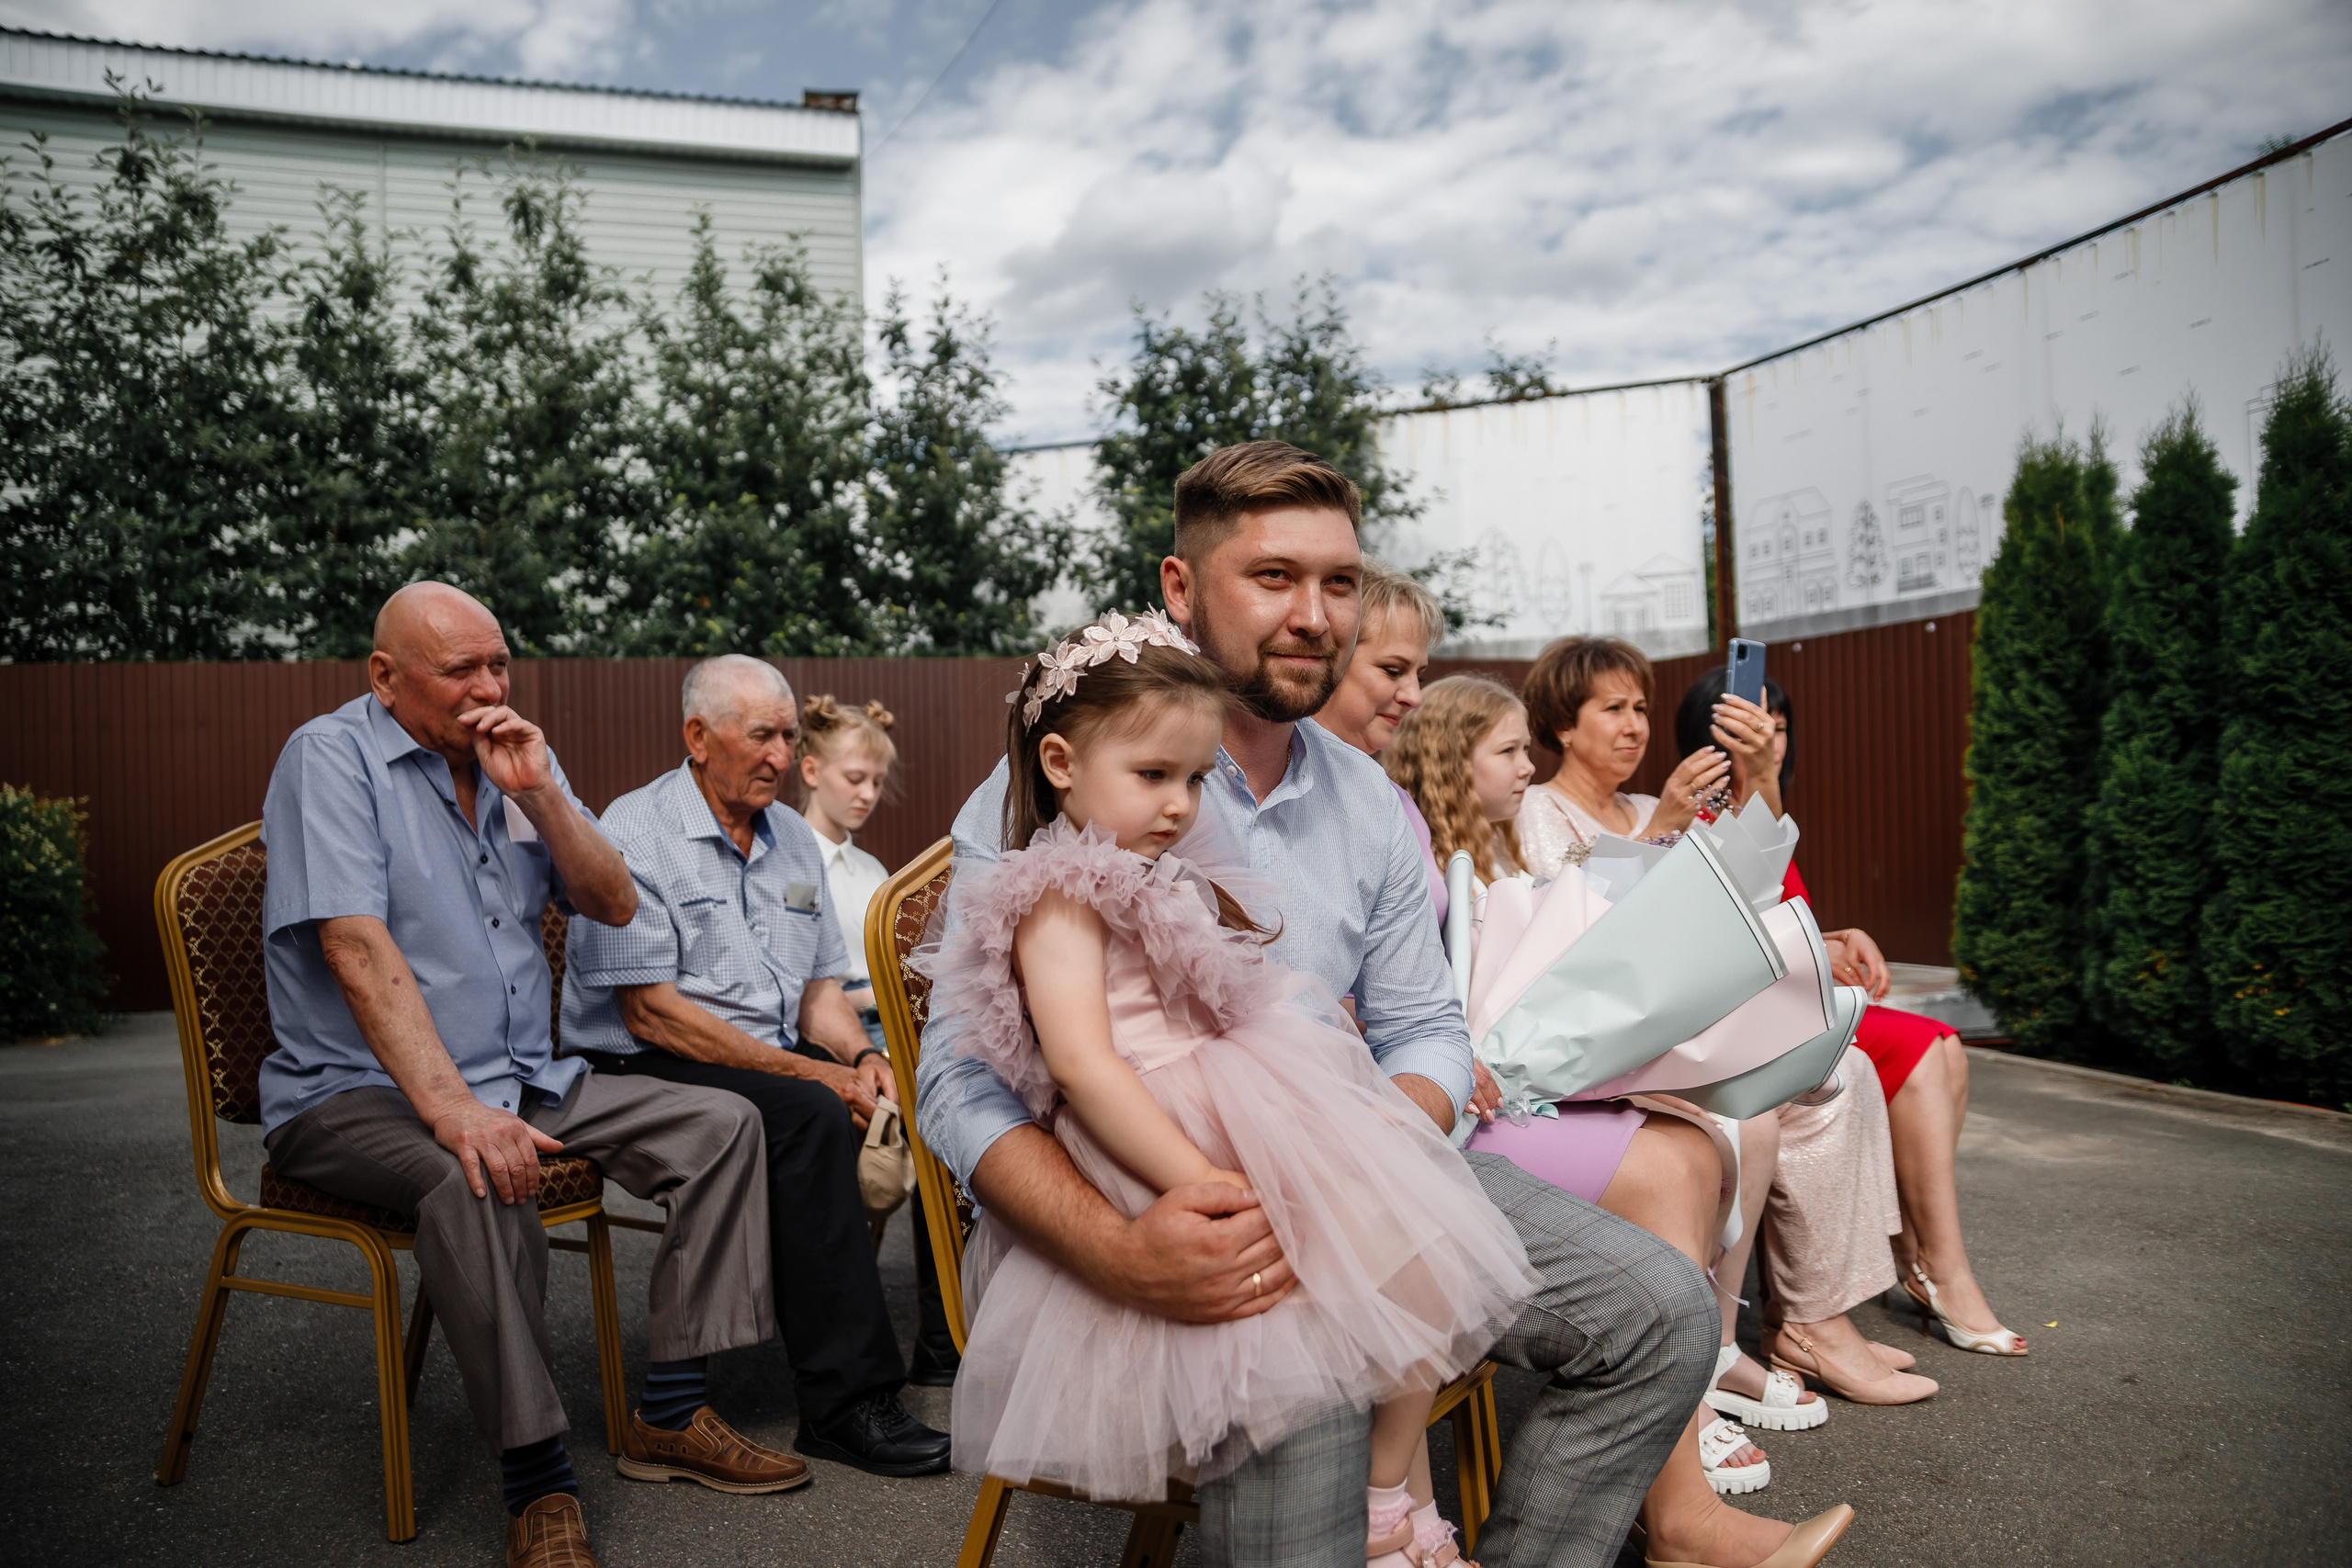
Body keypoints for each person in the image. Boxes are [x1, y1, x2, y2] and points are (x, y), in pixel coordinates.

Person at [918, 440, 1836, 1568]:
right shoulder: (1061, 794)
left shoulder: (1363, 795)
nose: (1316, 615)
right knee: (1303, 1393)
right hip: (1143, 1190)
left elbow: (1424, 1028)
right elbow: (959, 1079)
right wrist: (1117, 1246)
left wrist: (1376, 1159)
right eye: (1272, 577)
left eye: (1339, 582)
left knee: (1663, 1313)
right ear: (1179, 588)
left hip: (1352, 1146)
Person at [933, 610, 1537, 1566]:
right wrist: (1196, 1180)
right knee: (1330, 1274)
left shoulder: (1163, 867)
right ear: (1058, 764)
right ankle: (1389, 1508)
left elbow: (1228, 988)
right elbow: (1088, 1066)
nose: (1179, 804)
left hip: (1234, 1095)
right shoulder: (1056, 894)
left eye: (1195, 778)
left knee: (1418, 1240)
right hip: (1149, 1129)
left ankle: (1390, 1492)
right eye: (1153, 777)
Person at [258, 584, 792, 1568]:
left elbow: (614, 901)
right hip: (351, 1092)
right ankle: (537, 1481)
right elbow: (354, 948)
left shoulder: (512, 764)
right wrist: (453, 1109)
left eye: (498, 664)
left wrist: (541, 793)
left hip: (520, 1075)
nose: (488, 687)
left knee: (719, 1125)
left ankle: (672, 1411)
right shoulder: (329, 759)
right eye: (460, 670)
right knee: (478, 1170)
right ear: (385, 676)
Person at [1385, 677, 1840, 1562]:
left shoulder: (1489, 838)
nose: (1530, 767)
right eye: (1512, 751)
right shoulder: (1414, 835)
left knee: (1696, 1137)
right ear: (1452, 759)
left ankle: (1687, 1425)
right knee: (1670, 1161)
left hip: (1487, 1078)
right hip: (1455, 1102)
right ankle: (1680, 1505)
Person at [1513, 636, 1934, 1413]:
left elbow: (1749, 892)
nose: (1635, 725)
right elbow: (1568, 946)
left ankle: (1817, 1313)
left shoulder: (1645, 803)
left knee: (1844, 1070)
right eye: (1612, 709)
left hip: (1688, 1025)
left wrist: (1761, 779)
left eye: (1641, 707)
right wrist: (1662, 828)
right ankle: (1750, 1333)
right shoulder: (1538, 812)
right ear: (1563, 727)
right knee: (1775, 1103)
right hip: (1619, 1045)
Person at [560, 656, 953, 1479]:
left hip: (757, 1049)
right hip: (642, 1057)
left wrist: (861, 1055)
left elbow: (818, 991)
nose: (779, 753)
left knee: (915, 1091)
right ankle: (845, 1403)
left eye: (786, 735)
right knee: (807, 1111)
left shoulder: (791, 841)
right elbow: (651, 1012)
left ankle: (946, 1340)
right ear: (698, 738)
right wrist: (810, 1075)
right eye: (761, 734)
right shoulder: (635, 832)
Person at [1673, 671, 2027, 1359]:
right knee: (1927, 1050)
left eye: (1778, 721)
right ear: (1711, 730)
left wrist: (1835, 938)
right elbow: (1738, 926)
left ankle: (1923, 1255)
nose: (1769, 732)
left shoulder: (1757, 802)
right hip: (1752, 1008)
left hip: (1792, 990)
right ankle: (1935, 1267)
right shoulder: (1701, 807)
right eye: (1752, 718)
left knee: (1946, 1046)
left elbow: (1778, 914)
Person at [795, 692, 962, 1385]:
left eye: (874, 783)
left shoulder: (870, 874)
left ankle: (947, 1324)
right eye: (851, 779)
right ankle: (939, 1337)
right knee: (928, 1108)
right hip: (830, 1036)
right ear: (809, 770)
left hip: (888, 1031)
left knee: (959, 1099)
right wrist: (887, 996)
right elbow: (813, 984)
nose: (867, 795)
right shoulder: (792, 858)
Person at [1314, 558, 1446, 918]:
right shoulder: (1270, 789)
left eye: (1419, 675)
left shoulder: (1396, 800)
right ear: (1326, 656)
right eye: (1393, 670)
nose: (1414, 696)